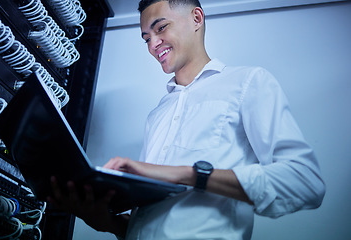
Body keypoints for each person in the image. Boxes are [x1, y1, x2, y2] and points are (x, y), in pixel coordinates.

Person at [48, 0, 326, 239]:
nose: (152, 44)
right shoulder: (157, 114)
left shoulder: (248, 82)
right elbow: (148, 226)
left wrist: (186, 174)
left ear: (196, 18)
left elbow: (304, 182)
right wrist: (106, 222)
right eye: (146, 38)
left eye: (160, 28)